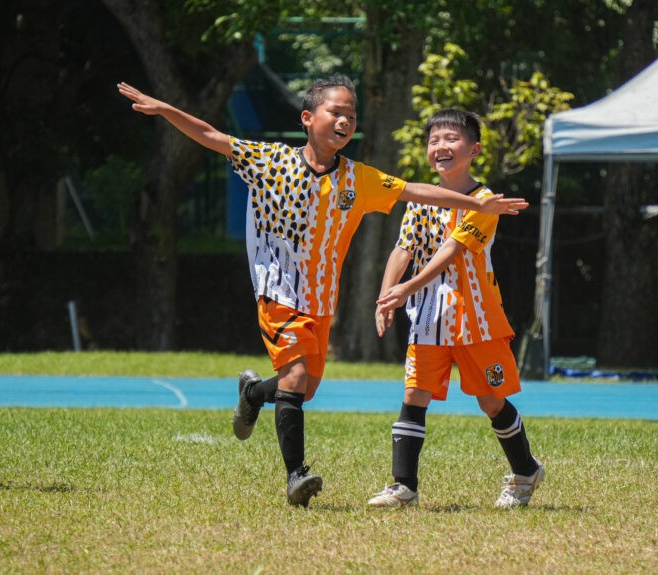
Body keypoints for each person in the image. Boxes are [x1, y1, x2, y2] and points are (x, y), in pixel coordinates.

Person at [117, 77, 528, 507]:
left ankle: (254, 394)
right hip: (277, 292)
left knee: (304, 389)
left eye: (352, 115)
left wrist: (480, 204)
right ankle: (298, 478)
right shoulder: (270, 160)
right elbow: (212, 136)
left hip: (321, 302)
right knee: (299, 381)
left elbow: (414, 190)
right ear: (308, 118)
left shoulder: (358, 178)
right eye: (337, 112)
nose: (345, 121)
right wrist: (164, 109)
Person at [366, 109, 542, 509]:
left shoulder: (485, 202)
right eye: (434, 141)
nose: (440, 147)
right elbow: (403, 247)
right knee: (414, 395)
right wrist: (386, 294)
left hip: (477, 320)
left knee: (490, 402)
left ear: (473, 149)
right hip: (428, 320)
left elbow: (453, 249)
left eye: (451, 139)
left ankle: (525, 471)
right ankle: (403, 487)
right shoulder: (421, 197)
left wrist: (406, 287)